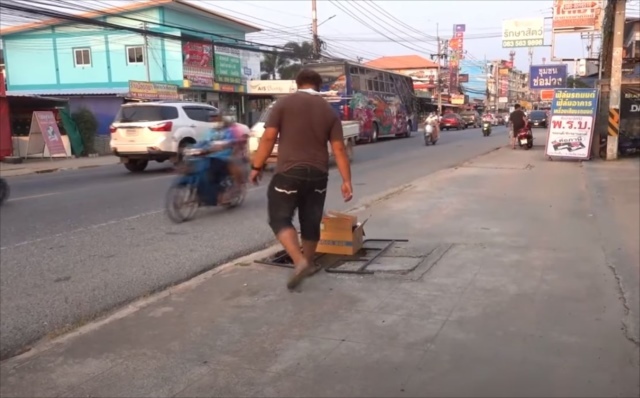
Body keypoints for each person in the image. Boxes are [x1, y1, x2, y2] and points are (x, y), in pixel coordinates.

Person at [249, 69, 353, 290]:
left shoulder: (283, 104)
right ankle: (310, 262)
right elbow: (339, 149)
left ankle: (300, 261)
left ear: (298, 84)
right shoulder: (329, 111)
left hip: (289, 171)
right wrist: (347, 181)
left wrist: (257, 166)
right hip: (318, 174)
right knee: (311, 220)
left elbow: (268, 137)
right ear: (318, 86)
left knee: (280, 218)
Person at [205, 110, 236, 204]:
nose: (213, 119)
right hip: (211, 156)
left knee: (215, 173)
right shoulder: (210, 131)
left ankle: (223, 194)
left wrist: (222, 145)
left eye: (215, 117)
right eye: (211, 117)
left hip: (223, 157)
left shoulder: (228, 131)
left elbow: (231, 142)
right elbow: (205, 142)